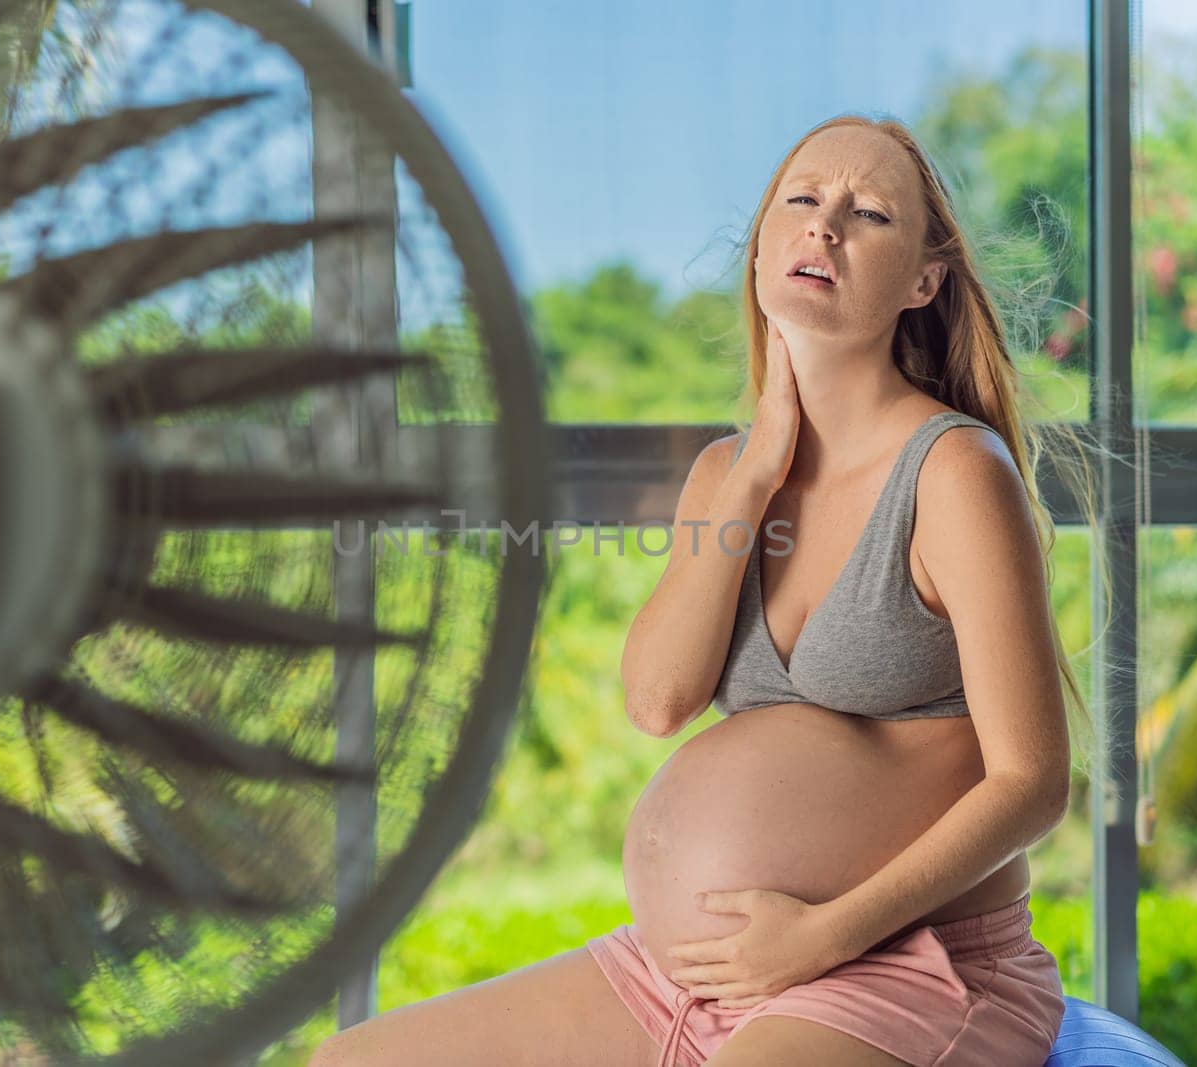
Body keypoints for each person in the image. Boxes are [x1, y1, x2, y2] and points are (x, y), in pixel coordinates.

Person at [309, 114, 1107, 1067]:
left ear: (924, 280)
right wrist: (757, 468)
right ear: (764, 242)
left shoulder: (953, 474)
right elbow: (657, 700)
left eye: (870, 214)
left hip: (911, 966)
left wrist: (824, 937)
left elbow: (1032, 783)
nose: (824, 228)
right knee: (349, 1062)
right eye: (802, 202)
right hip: (694, 971)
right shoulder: (728, 475)